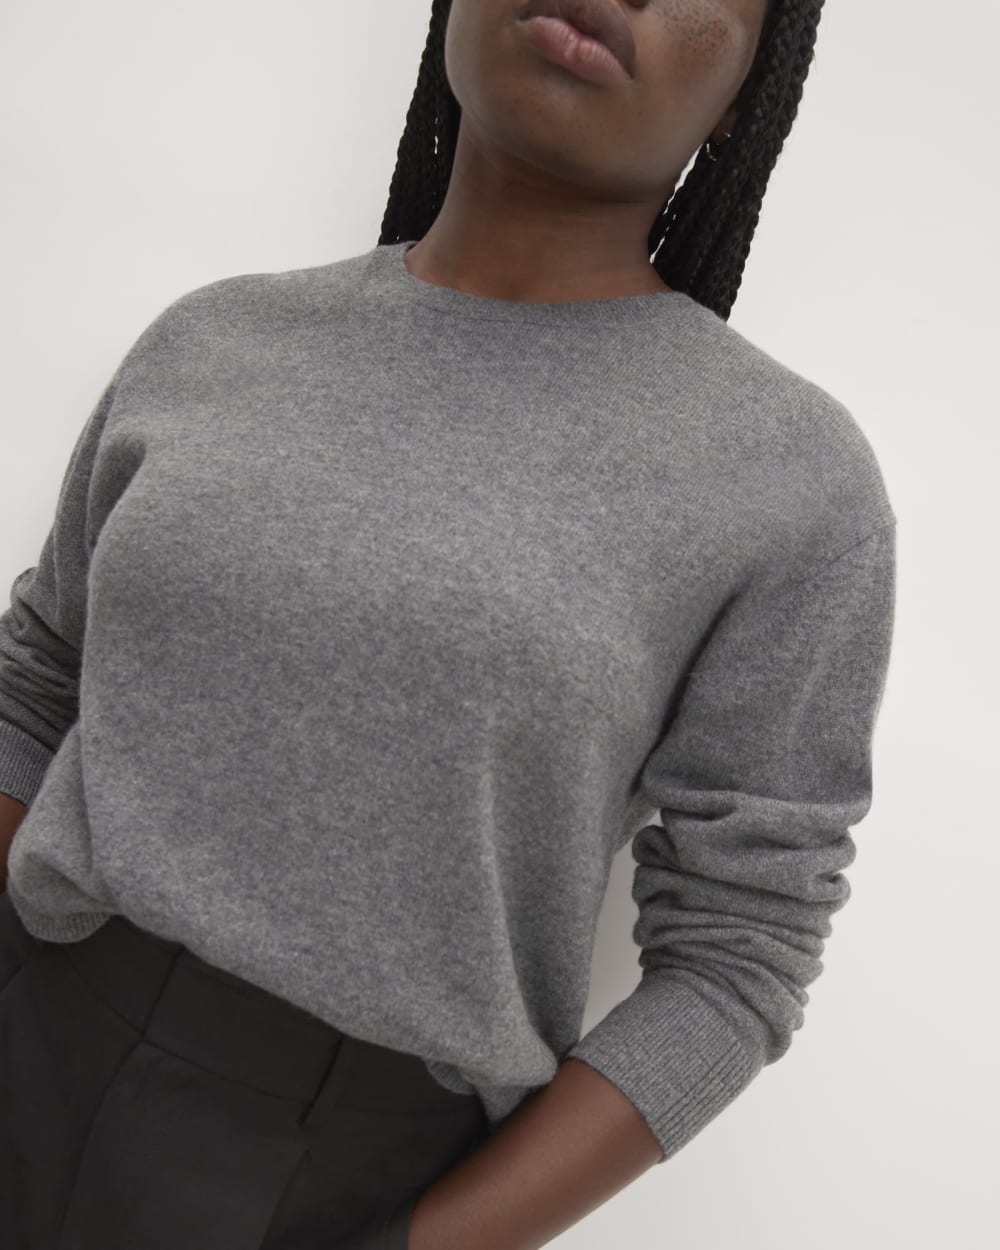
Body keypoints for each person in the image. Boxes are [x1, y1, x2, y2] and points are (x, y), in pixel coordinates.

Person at [0, 1, 897, 1248]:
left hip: (329, 1169)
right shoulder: (213, 337)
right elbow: (40, 680)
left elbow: (740, 950)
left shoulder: (788, 482)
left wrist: (426, 1242)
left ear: (745, 93)